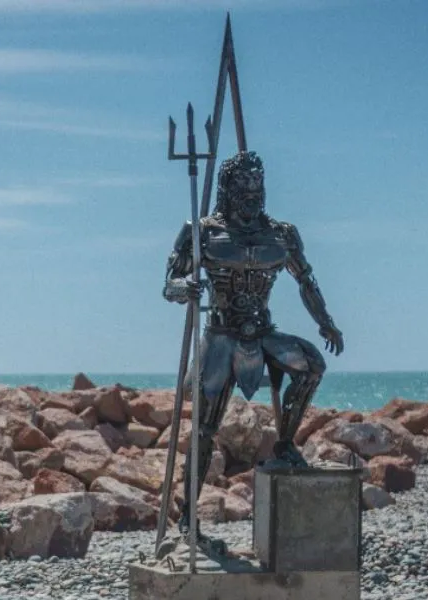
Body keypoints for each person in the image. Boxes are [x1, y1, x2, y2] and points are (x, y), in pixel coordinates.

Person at [162, 150, 344, 540]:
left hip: (263, 331)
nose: (251, 193)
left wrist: (326, 323)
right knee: (205, 428)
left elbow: (306, 282)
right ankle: (188, 514)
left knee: (311, 365)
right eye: (242, 186)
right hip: (221, 336)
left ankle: (284, 443)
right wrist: (184, 288)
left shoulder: (281, 234)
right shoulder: (202, 232)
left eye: (256, 186)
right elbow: (168, 283)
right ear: (227, 189)